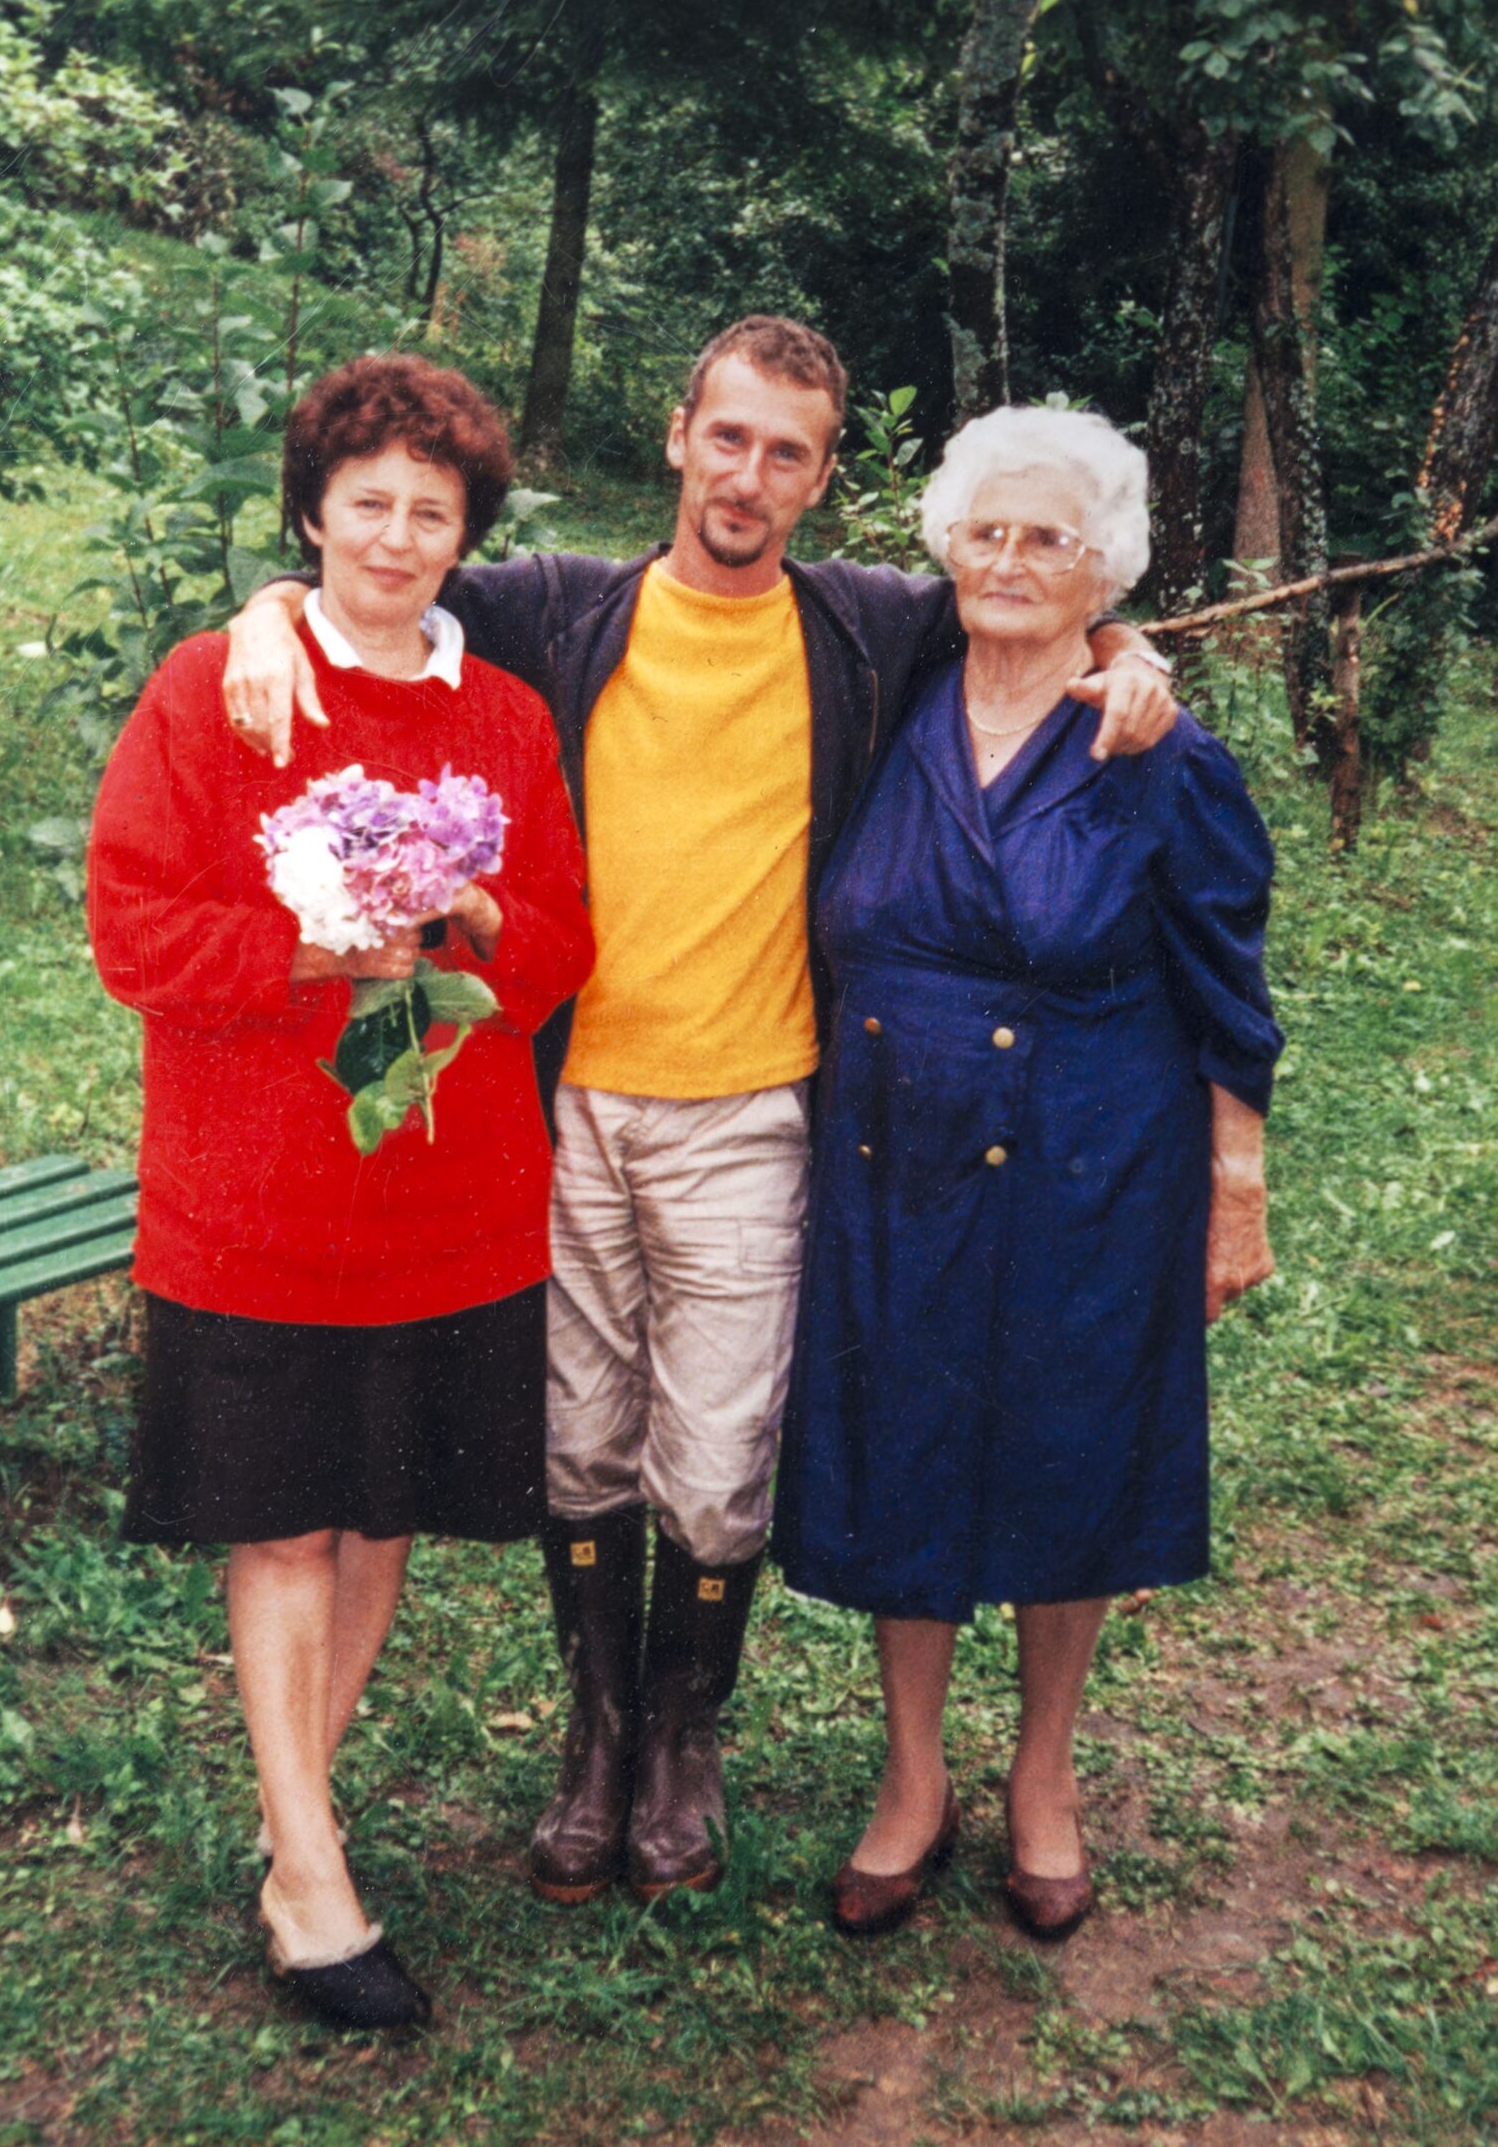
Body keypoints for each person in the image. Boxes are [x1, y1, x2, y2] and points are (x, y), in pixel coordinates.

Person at [219, 318, 1178, 1908]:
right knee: (580, 1441)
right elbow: (377, 575)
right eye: (727, 437)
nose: (749, 476)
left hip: (754, 1105)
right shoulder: (560, 607)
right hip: (567, 1101)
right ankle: (597, 1742)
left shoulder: (866, 625)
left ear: (823, 477)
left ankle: (684, 1740)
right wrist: (263, 612)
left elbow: (1042, 595)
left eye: (788, 453)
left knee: (720, 1459)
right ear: (680, 436)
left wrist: (1131, 653)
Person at [87, 356, 593, 2026]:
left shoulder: (504, 719)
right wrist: (313, 946)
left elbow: (562, 951)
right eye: (366, 501)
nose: (395, 536)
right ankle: (312, 1882)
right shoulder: (216, 688)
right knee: (287, 1520)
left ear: (465, 537)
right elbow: (135, 933)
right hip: (256, 1193)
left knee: (379, 1513)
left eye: (430, 512)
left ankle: (290, 1818)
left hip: (447, 1203)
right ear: (310, 512)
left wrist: (477, 923)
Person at [771, 404, 1282, 1942]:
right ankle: (912, 1777)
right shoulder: (888, 694)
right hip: (893, 1155)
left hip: (1091, 1159)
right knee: (904, 1444)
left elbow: (1228, 976)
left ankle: (1044, 1774)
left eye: (1047, 538)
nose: (1007, 561)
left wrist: (1237, 1184)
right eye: (984, 531)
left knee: (1075, 1450)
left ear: (1103, 568)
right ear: (947, 545)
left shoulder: (1155, 747)